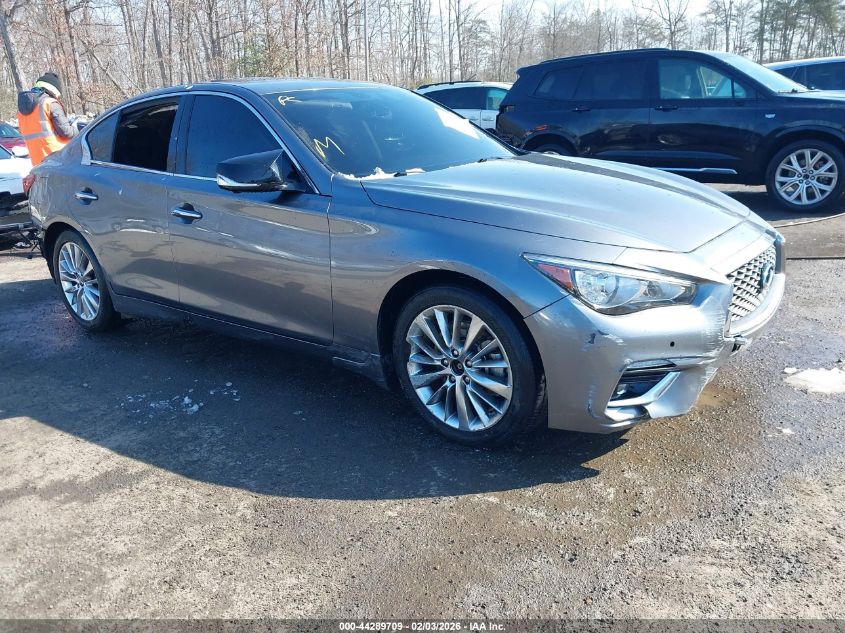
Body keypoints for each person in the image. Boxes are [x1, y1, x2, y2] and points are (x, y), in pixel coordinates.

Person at [17, 72, 78, 166]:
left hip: (38, 164)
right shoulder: (49, 103)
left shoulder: (21, 111)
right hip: (58, 159)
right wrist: (77, 129)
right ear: (54, 90)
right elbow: (66, 132)